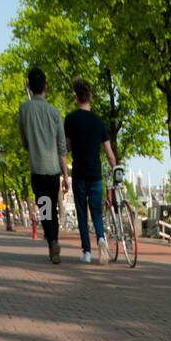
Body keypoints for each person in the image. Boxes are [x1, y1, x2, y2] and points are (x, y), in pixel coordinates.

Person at [19, 66, 70, 264]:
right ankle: (54, 240)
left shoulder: (24, 109)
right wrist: (66, 176)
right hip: (54, 170)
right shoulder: (54, 112)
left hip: (37, 169)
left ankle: (53, 243)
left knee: (46, 210)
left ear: (30, 87)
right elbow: (62, 148)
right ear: (45, 87)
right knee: (53, 209)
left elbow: (24, 142)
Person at [64, 77, 117, 264]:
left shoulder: (70, 120)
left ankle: (86, 252)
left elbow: (67, 147)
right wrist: (116, 169)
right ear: (90, 97)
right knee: (96, 212)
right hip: (96, 175)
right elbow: (110, 154)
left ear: (76, 97)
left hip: (79, 174)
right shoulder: (99, 122)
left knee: (81, 213)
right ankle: (101, 239)